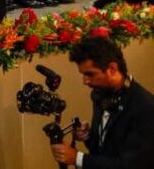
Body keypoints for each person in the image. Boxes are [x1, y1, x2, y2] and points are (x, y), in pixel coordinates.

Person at [50, 36, 154, 167]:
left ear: (112, 69)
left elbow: (130, 165)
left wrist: (78, 158)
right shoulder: (99, 94)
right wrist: (89, 137)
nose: (85, 81)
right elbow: (103, 149)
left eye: (90, 74)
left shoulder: (146, 107)